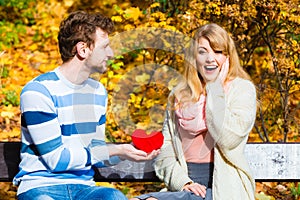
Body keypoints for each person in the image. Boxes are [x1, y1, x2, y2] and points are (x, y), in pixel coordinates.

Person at [13, 10, 159, 200]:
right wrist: (117, 149)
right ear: (83, 49)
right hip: (41, 187)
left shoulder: (98, 92)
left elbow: (95, 151)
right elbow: (56, 160)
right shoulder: (38, 91)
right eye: (105, 46)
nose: (111, 53)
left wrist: (127, 151)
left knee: (114, 197)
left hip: (85, 189)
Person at [130, 23, 257, 200]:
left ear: (228, 57)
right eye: (203, 51)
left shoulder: (242, 89)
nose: (210, 58)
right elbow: (165, 149)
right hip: (186, 185)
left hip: (225, 188)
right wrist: (183, 182)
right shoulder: (179, 94)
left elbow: (229, 139)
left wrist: (215, 89)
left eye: (218, 52)